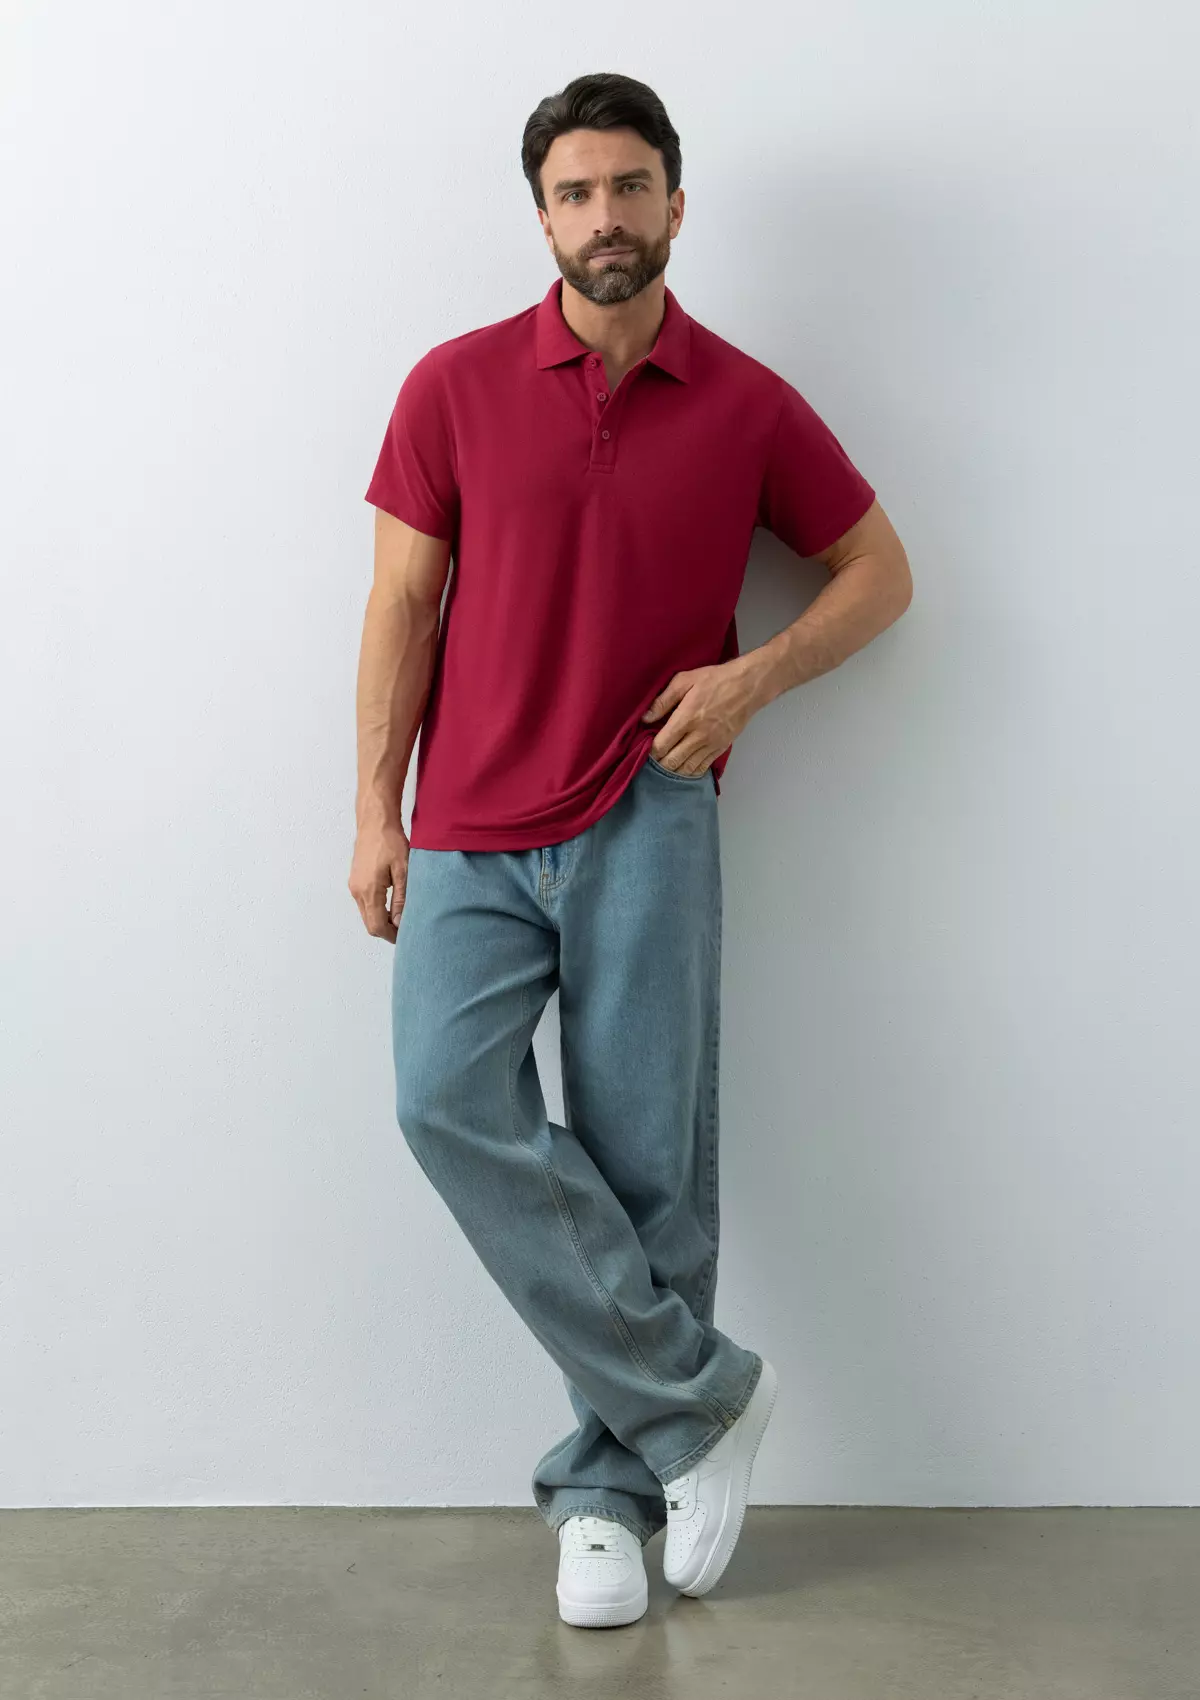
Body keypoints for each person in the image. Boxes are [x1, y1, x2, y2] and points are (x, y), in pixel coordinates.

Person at [349, 70, 912, 1630]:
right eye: (577, 193)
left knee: (649, 1159)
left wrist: (752, 680)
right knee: (443, 1098)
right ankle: (702, 1400)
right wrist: (373, 809)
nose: (606, 216)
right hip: (469, 819)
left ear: (675, 201)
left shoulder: (746, 402)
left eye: (630, 187)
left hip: (651, 808)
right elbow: (402, 606)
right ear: (542, 218)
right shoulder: (452, 386)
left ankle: (604, 1496)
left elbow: (879, 572)